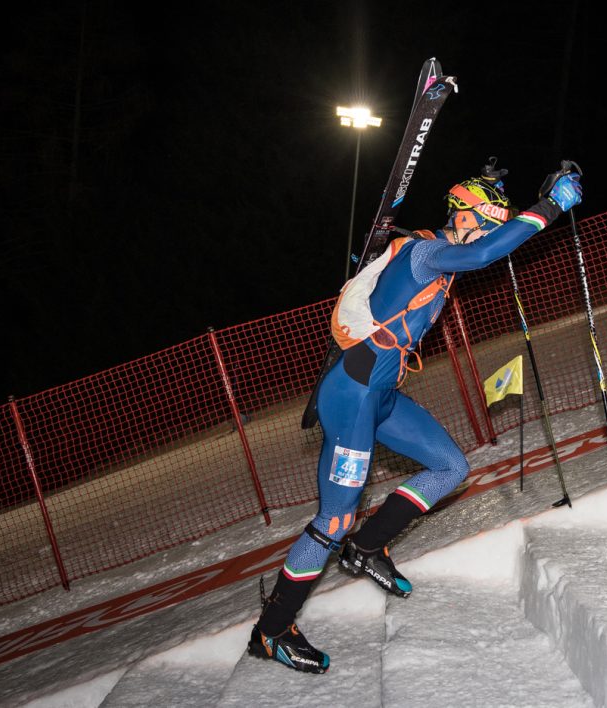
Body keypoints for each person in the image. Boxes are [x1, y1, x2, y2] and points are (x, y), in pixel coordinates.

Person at [247, 160, 582, 673]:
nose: (489, 233)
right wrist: (552, 206)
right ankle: (271, 632)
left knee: (451, 467)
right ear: (465, 217)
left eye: (494, 224)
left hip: (379, 395)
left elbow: (477, 250)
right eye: (486, 222)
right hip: (354, 396)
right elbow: (489, 254)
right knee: (333, 519)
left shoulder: (435, 257)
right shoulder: (428, 252)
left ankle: (367, 547)